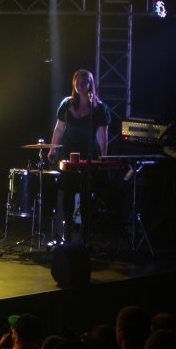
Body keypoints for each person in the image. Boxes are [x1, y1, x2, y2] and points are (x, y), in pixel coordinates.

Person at [48, 69, 111, 241]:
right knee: (68, 192)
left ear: (91, 85)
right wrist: (52, 149)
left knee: (86, 194)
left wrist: (103, 156)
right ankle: (67, 229)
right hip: (68, 153)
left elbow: (103, 135)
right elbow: (59, 128)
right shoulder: (67, 104)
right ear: (73, 84)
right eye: (78, 83)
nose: (81, 86)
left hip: (88, 153)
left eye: (84, 83)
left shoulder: (99, 108)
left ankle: (85, 232)